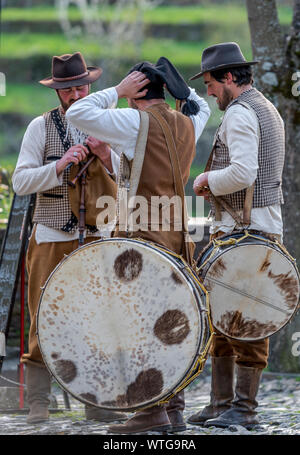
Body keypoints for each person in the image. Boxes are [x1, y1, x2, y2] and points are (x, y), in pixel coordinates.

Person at [66, 56, 211, 433]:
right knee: (172, 326)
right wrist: (179, 86)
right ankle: (173, 409)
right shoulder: (188, 122)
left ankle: (150, 412)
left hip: (145, 238)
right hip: (179, 237)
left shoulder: (134, 121)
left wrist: (116, 90)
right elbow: (204, 105)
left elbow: (77, 113)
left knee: (142, 327)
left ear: (136, 94)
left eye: (131, 91)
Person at [12, 52, 124, 424]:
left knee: (100, 321)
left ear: (90, 86)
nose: (76, 95)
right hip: (50, 236)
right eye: (68, 89)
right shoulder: (39, 128)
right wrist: (58, 166)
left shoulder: (112, 125)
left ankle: (97, 400)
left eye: (80, 87)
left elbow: (131, 179)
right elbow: (21, 181)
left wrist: (106, 156)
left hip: (99, 238)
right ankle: (38, 402)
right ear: (57, 91)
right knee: (44, 317)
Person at [188, 42, 285, 429]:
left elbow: (243, 173)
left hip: (248, 233)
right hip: (248, 231)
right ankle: (221, 404)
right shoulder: (263, 106)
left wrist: (206, 179)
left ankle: (243, 410)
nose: (209, 91)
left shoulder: (242, 113)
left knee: (249, 322)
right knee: (225, 319)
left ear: (229, 78)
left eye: (211, 83)